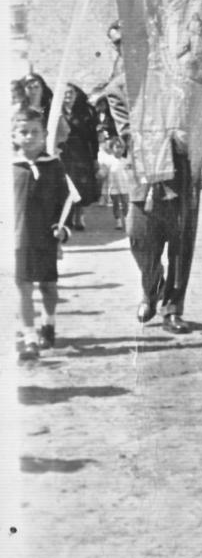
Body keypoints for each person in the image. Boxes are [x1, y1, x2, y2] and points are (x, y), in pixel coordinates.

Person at [13, 107, 76, 360]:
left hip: (46, 237)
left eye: (34, 132)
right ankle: (29, 338)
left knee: (48, 286)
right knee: (23, 287)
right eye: (23, 132)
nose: (29, 137)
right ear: (14, 135)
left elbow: (67, 200)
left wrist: (64, 228)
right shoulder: (9, 167)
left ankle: (48, 323)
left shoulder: (54, 166)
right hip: (17, 239)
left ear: (44, 134)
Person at [129, 133, 202, 334]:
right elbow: (119, 104)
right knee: (138, 238)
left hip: (182, 171)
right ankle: (153, 288)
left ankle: (172, 308)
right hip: (143, 169)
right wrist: (136, 131)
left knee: (180, 248)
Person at [58, 84, 100, 230]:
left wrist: (95, 157)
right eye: (65, 93)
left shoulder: (85, 112)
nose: (68, 96)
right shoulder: (55, 111)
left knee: (81, 184)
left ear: (76, 95)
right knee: (65, 184)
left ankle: (79, 216)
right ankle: (67, 216)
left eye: (71, 93)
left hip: (81, 153)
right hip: (63, 152)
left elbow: (93, 138)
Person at [96, 133, 136, 231]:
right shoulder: (109, 160)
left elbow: (132, 171)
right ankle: (118, 221)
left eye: (121, 147)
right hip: (113, 187)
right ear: (112, 148)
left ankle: (127, 220)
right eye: (117, 147)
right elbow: (103, 171)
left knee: (126, 203)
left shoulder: (126, 160)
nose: (119, 149)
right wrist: (99, 174)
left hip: (125, 187)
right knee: (116, 204)